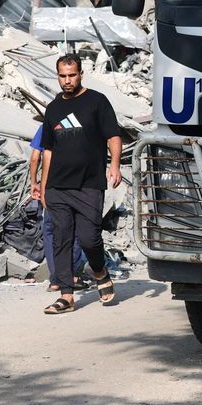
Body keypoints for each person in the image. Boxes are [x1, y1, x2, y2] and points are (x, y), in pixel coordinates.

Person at [41, 54, 122, 315]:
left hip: (89, 184)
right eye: (63, 76)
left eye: (72, 75)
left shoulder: (96, 101)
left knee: (89, 239)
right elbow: (48, 151)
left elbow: (113, 136)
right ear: (58, 76)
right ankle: (66, 295)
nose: (67, 80)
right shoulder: (53, 108)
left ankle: (100, 272)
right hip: (57, 187)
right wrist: (43, 187)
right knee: (62, 240)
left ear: (81, 74)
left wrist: (115, 165)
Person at [28, 124, 87, 292]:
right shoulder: (80, 125)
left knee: (50, 231)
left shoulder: (46, 126)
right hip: (77, 184)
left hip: (51, 186)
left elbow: (34, 157)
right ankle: (72, 275)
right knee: (75, 230)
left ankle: (56, 279)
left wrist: (34, 182)